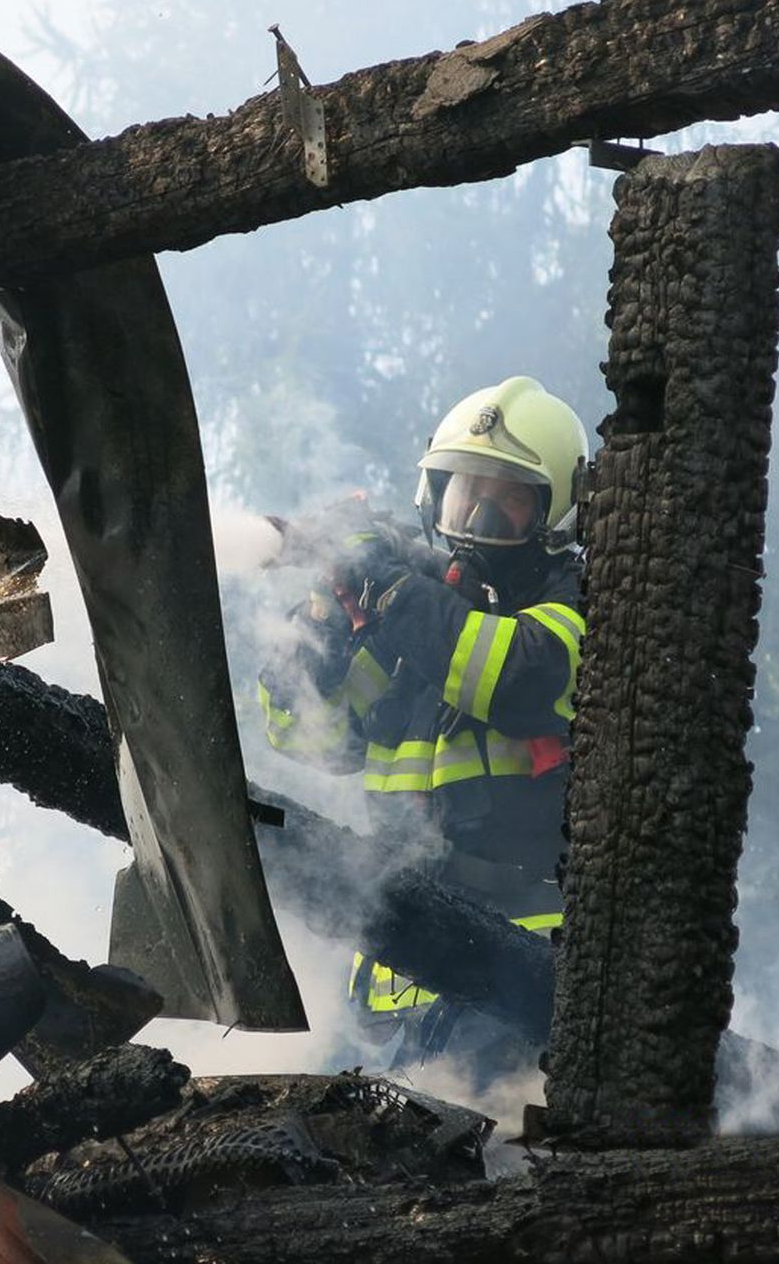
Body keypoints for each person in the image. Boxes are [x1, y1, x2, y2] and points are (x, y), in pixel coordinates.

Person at [256, 375, 588, 1072]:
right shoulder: (413, 615)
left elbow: (514, 677)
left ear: (554, 516)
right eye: (466, 493)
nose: (479, 516)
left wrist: (387, 584)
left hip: (528, 983)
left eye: (507, 501)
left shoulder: (580, 601)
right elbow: (302, 731)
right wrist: (326, 609)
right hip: (397, 985)